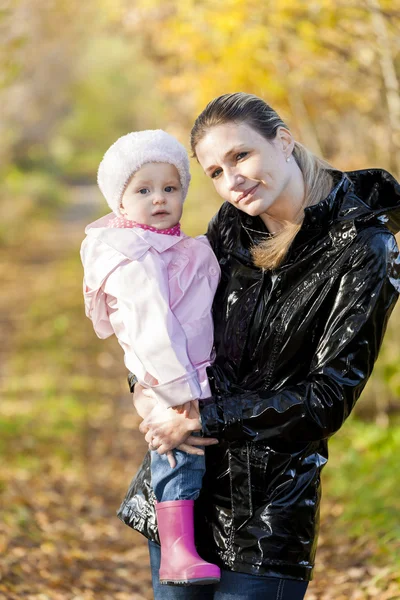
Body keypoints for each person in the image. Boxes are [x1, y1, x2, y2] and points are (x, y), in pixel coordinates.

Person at [118, 93, 400, 600]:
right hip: (182, 491)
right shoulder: (230, 228)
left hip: (265, 519)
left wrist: (203, 416)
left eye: (241, 156)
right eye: (215, 172)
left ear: (284, 141)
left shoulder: (364, 247)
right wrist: (152, 394)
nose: (233, 180)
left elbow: (327, 400)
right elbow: (168, 328)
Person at [81, 129, 221, 586]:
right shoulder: (132, 256)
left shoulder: (173, 247)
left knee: (192, 454)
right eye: (143, 191)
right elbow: (148, 328)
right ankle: (177, 551)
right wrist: (180, 393)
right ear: (120, 203)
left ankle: (186, 543)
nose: (159, 199)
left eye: (170, 188)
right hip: (168, 375)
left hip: (189, 367)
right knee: (177, 450)